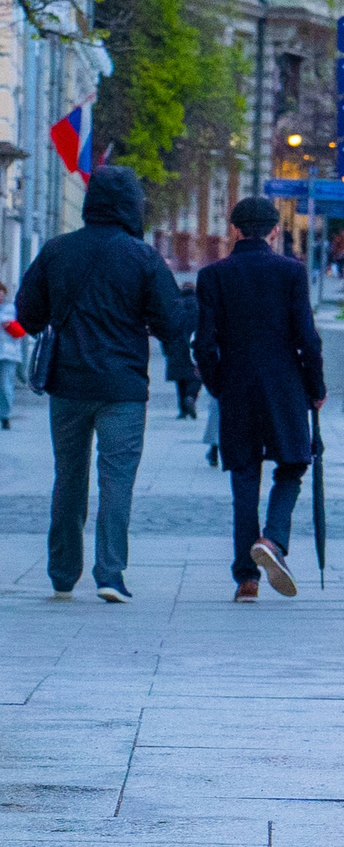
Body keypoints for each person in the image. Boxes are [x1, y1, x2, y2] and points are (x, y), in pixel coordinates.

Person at [13, 165, 188, 603]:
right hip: (123, 388)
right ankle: (110, 574)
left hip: (68, 386)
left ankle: (62, 571)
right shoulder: (142, 256)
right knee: (117, 480)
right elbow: (172, 322)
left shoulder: (57, 251)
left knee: (68, 477)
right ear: (133, 206)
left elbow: (28, 313)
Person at [194, 197, 326, 603]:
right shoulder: (290, 272)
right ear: (273, 231)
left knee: (244, 480)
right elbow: (307, 337)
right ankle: (273, 538)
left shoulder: (213, 276)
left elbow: (204, 344)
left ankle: (246, 579)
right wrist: (316, 389)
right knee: (293, 465)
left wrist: (219, 385)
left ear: (233, 229)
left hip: (236, 389)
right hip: (285, 387)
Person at [166, 280, 202, 419]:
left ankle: (182, 409)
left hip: (175, 346)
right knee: (196, 376)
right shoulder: (199, 304)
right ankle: (191, 397)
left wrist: (167, 347)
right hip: (193, 344)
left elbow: (166, 326)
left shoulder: (175, 305)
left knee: (180, 379)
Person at [0, 281, 24, 430]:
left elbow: (19, 330)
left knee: (5, 385)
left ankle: (5, 416)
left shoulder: (11, 309)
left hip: (8, 353)